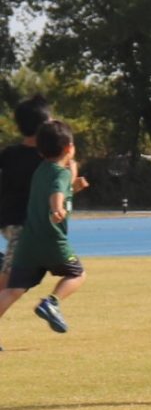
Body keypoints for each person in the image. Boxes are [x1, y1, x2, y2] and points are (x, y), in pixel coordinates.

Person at [0, 118, 88, 342]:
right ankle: (52, 303)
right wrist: (58, 208)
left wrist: (72, 189)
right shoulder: (61, 173)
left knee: (14, 289)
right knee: (77, 274)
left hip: (27, 244)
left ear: (40, 151)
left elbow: (53, 191)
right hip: (51, 240)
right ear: (69, 147)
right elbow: (57, 192)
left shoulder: (40, 170)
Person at [0, 96, 55, 285]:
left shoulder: (8, 154)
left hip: (9, 221)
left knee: (24, 276)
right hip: (22, 224)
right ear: (44, 126)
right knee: (11, 279)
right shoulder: (46, 160)